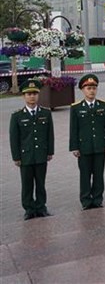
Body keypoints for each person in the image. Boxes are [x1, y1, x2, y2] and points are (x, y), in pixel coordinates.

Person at [9, 79, 54, 220]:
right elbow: (14, 138)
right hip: (26, 155)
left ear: (38, 95)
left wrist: (50, 151)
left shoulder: (45, 113)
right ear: (23, 96)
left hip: (41, 154)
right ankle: (29, 209)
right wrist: (16, 157)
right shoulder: (17, 116)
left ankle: (41, 207)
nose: (32, 97)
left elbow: (49, 134)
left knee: (41, 183)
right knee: (27, 183)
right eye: (28, 94)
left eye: (34, 93)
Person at [69, 74, 105, 210]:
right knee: (85, 175)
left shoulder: (104, 106)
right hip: (84, 147)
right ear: (83, 90)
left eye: (94, 88)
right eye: (88, 88)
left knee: (98, 174)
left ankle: (97, 199)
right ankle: (86, 200)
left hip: (100, 145)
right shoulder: (76, 107)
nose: (91, 91)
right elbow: (73, 129)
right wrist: (74, 147)